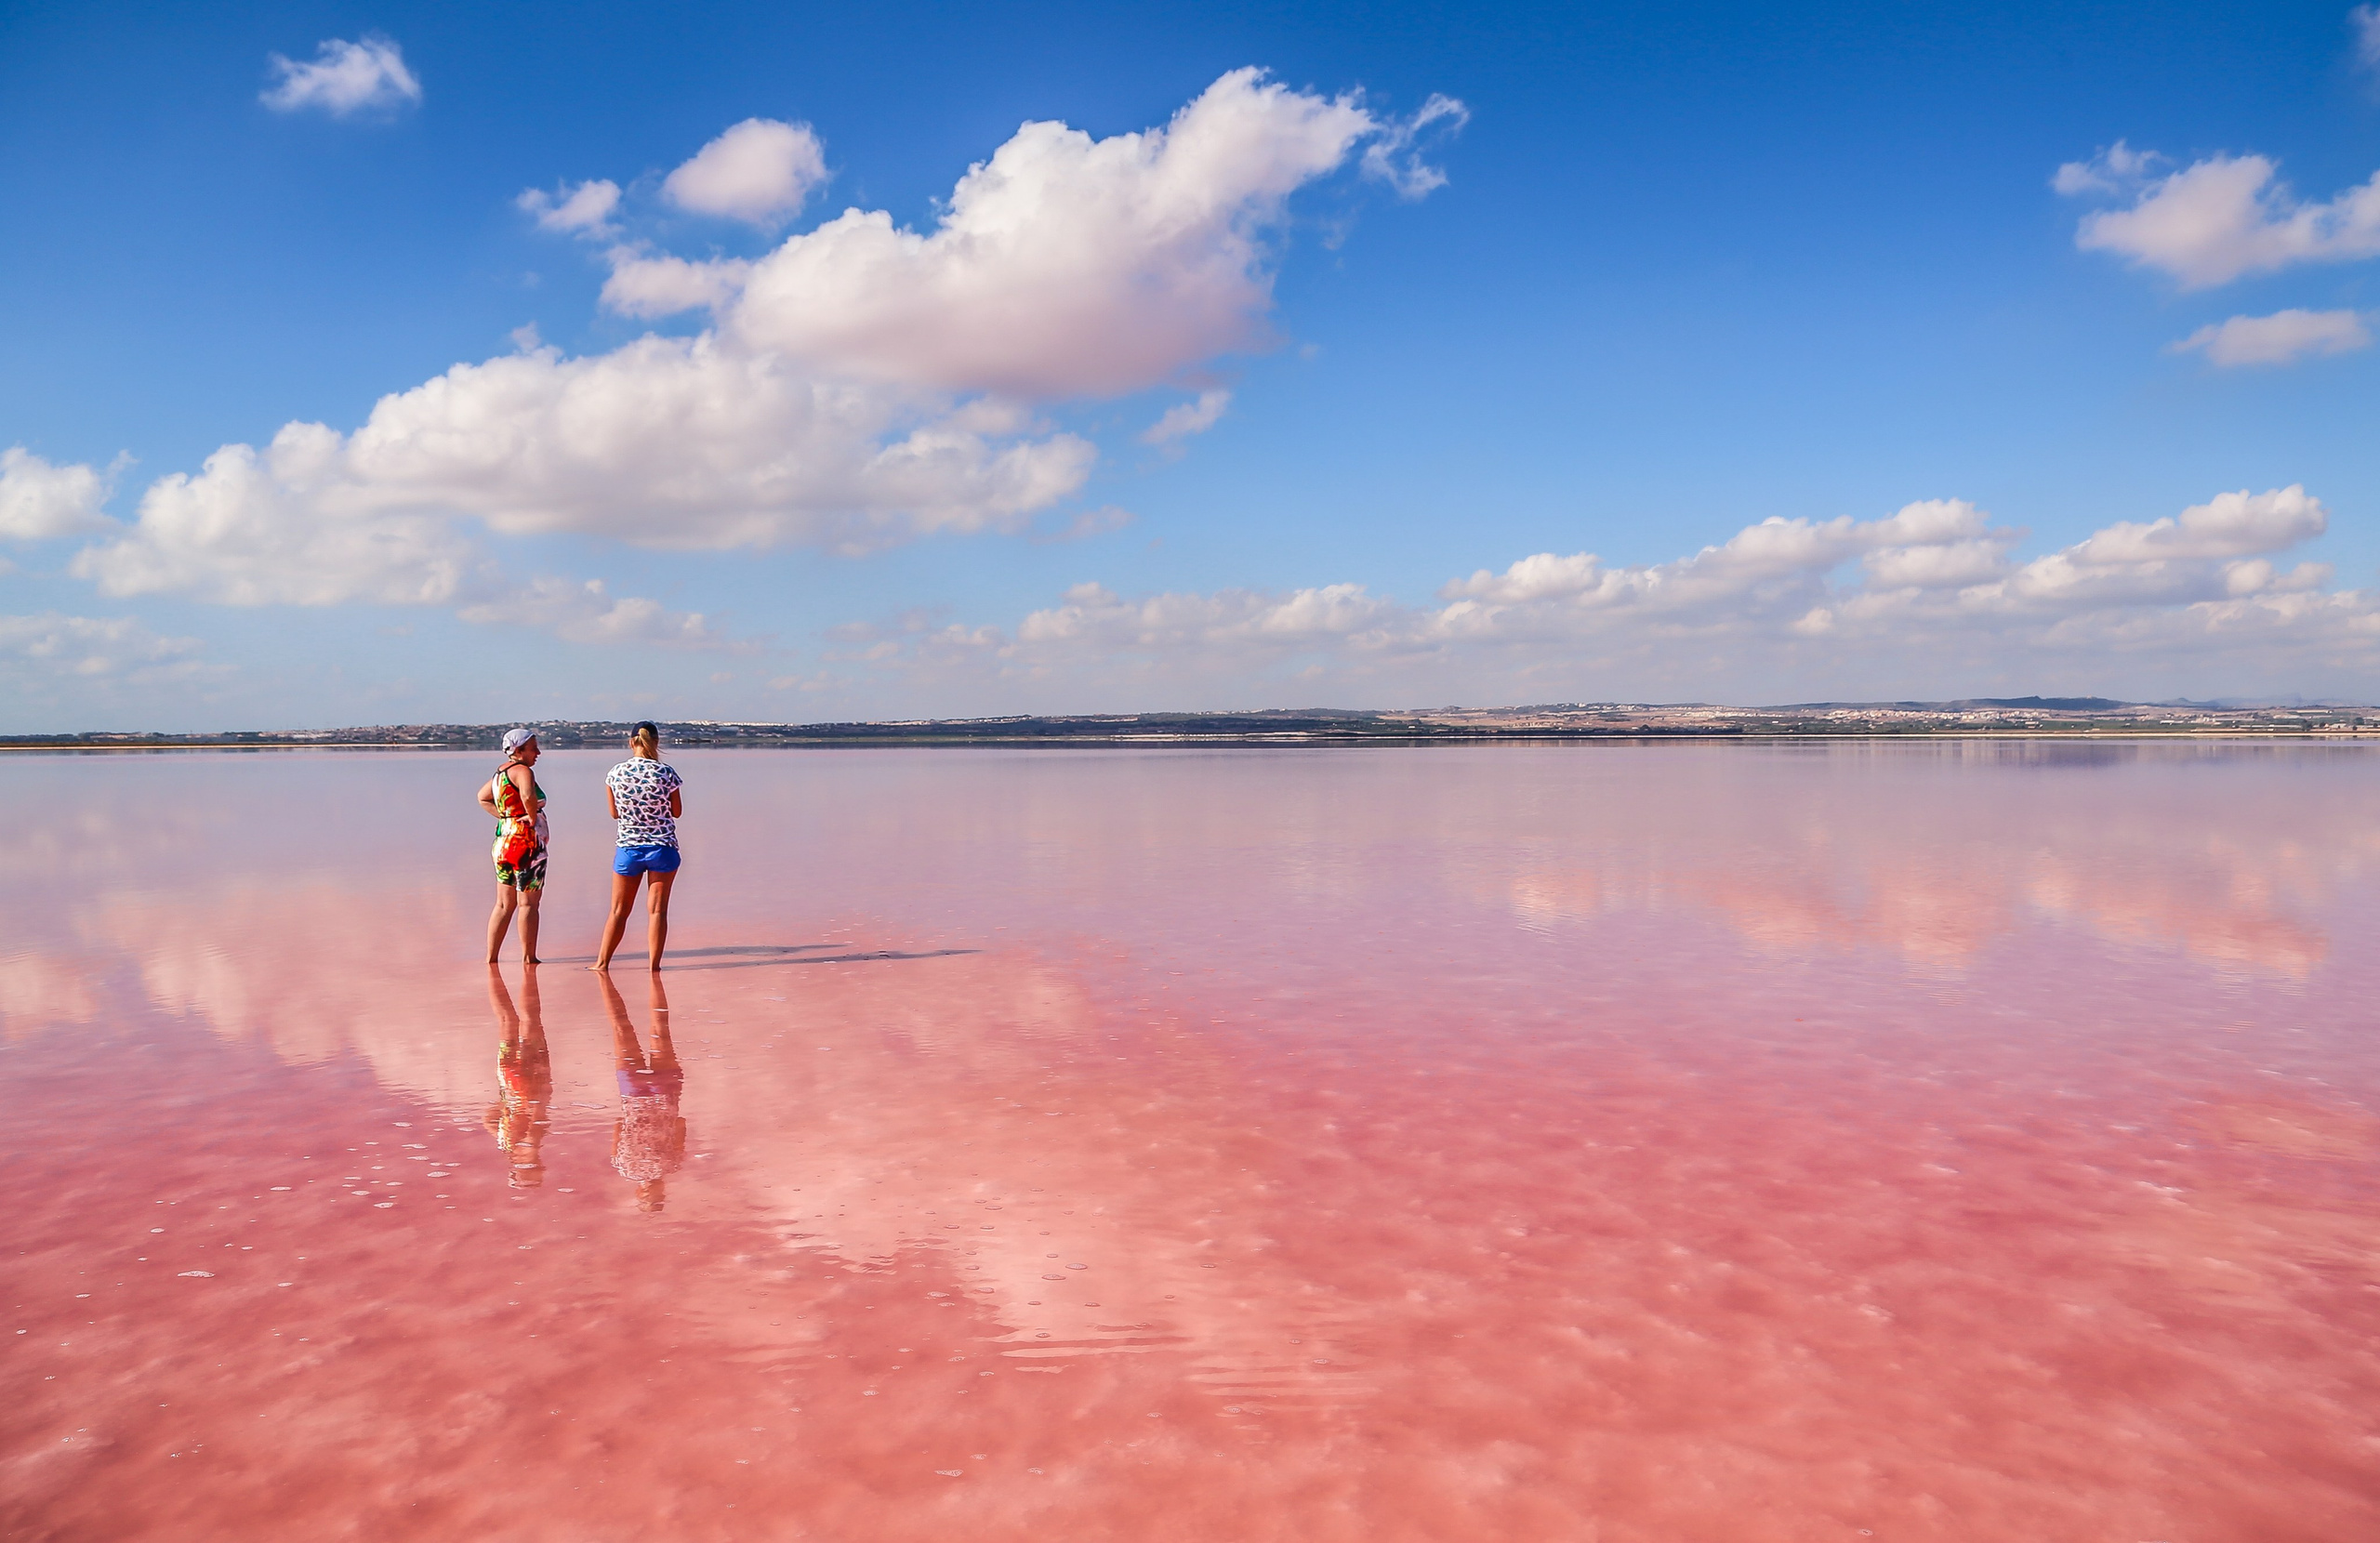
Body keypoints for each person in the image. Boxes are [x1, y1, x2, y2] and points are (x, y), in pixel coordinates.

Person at [591, 721, 684, 972]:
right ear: (656, 742)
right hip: (662, 847)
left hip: (629, 849)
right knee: (657, 911)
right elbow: (677, 812)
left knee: (618, 911)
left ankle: (602, 964)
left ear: (631, 742)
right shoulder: (666, 773)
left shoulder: (615, 773)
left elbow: (613, 814)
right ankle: (654, 967)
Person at [601, 970, 685, 1211]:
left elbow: (680, 1124)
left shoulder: (673, 1166)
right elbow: (618, 1125)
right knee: (619, 1027)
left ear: (662, 1190)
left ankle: (653, 974)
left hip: (665, 1092)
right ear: (639, 1190)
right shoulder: (623, 1167)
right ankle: (605, 978)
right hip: (632, 1093)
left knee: (660, 1026)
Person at [479, 727, 548, 964]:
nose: (538, 752)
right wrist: (530, 815)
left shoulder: (500, 773)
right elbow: (528, 796)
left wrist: (505, 817)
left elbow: (482, 797)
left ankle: (492, 957)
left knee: (503, 904)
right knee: (528, 903)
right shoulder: (522, 771)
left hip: (503, 842)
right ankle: (529, 957)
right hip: (526, 844)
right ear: (519, 751)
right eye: (533, 748)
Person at [483, 965, 552, 1189]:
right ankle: (499, 971)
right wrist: (504, 1103)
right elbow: (487, 1119)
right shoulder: (505, 1142)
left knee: (530, 1020)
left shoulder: (529, 1140)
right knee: (508, 1021)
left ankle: (524, 970)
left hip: (531, 1080)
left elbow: (538, 1109)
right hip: (510, 1081)